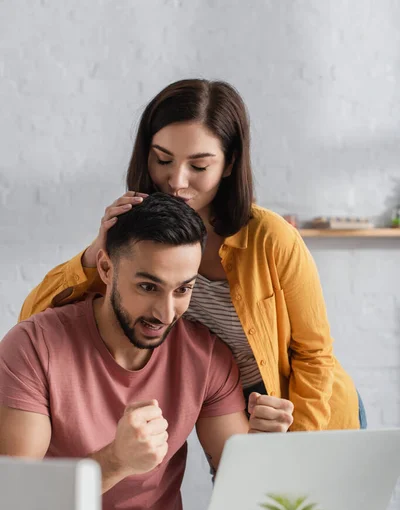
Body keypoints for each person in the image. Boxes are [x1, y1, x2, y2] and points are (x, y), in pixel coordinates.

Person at [19, 78, 365, 430]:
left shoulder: (270, 237)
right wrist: (96, 250)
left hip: (313, 413)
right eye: (163, 160)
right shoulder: (140, 238)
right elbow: (32, 321)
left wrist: (300, 441)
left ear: (229, 164)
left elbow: (314, 354)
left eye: (198, 166)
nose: (176, 181)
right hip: (235, 414)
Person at [0, 194, 294, 510]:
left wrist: (260, 446)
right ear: (107, 269)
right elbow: (14, 502)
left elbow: (243, 487)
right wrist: (115, 461)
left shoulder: (208, 356)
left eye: (183, 289)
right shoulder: (33, 347)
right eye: (147, 287)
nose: (166, 313)